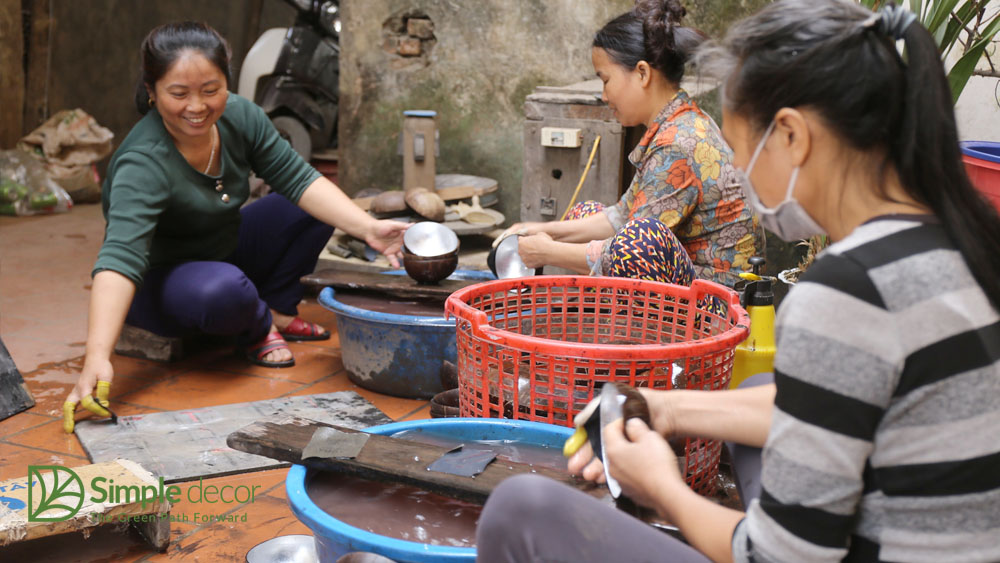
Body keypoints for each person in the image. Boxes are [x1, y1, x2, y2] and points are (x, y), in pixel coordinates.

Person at [476, 1, 1000, 561]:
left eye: (743, 148)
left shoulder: (847, 291)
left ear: (793, 137)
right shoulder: (965, 239)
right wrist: (665, 407)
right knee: (755, 394)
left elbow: (779, 557)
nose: (739, 173)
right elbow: (825, 404)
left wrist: (662, 488)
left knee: (520, 510)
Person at [62, 22, 408, 433]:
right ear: (152, 92)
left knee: (314, 206)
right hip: (165, 284)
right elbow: (120, 259)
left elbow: (298, 179)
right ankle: (257, 324)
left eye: (211, 90)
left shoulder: (240, 116)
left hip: (223, 249)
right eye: (179, 93)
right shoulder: (143, 161)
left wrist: (368, 227)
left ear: (227, 81)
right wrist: (97, 355)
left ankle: (276, 308)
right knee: (224, 290)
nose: (197, 106)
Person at [502, 0, 762, 288]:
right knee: (585, 215)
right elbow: (622, 215)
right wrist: (541, 229)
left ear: (642, 73)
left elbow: (635, 249)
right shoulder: (674, 124)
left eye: (606, 80)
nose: (603, 95)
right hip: (688, 280)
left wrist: (549, 251)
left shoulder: (677, 143)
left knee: (636, 238)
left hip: (717, 303)